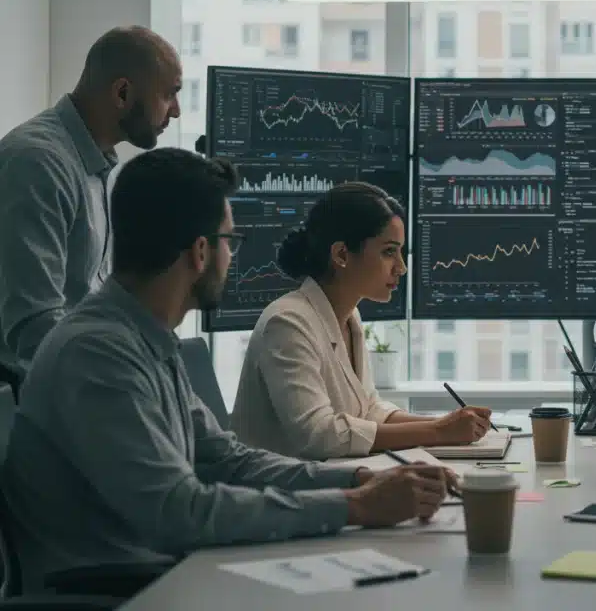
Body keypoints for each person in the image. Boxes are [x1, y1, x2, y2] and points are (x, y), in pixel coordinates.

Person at [2, 149, 450, 594]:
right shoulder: (98, 353)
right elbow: (181, 514)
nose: (231, 258)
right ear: (201, 251)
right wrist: (354, 506)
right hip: (117, 591)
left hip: (163, 574)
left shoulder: (146, 340)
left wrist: (360, 479)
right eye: (229, 242)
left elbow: (227, 459)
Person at [231, 182, 493, 460]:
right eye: (388, 252)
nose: (401, 267)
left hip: (326, 484)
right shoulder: (287, 322)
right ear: (342, 254)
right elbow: (318, 434)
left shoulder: (348, 317)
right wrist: (439, 431)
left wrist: (447, 424)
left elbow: (368, 410)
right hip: (279, 495)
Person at [0, 26, 182, 378]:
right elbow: (35, 325)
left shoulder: (95, 165)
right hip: (35, 397)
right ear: (123, 92)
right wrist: (116, 382)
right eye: (169, 94)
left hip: (74, 378)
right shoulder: (38, 163)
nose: (174, 111)